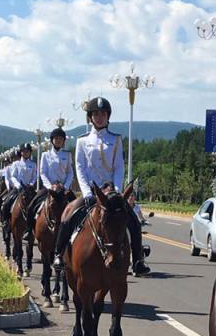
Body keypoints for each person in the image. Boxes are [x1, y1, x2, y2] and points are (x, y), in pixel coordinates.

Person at [52, 97, 150, 276]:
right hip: (91, 192)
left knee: (134, 221)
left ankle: (138, 261)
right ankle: (58, 254)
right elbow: (80, 168)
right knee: (68, 215)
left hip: (111, 192)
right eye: (96, 114)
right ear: (90, 117)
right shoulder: (82, 141)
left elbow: (119, 167)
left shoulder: (116, 139)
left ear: (108, 116)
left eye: (103, 113)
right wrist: (87, 192)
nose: (99, 117)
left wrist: (118, 192)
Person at [25, 128, 76, 230]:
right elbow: (42, 173)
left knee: (77, 208)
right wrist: (50, 186)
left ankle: (74, 232)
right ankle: (29, 230)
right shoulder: (45, 155)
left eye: (61, 139)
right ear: (52, 140)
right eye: (56, 138)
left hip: (63, 188)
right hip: (49, 188)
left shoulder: (67, 154)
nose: (58, 140)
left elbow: (70, 173)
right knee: (32, 206)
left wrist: (65, 186)